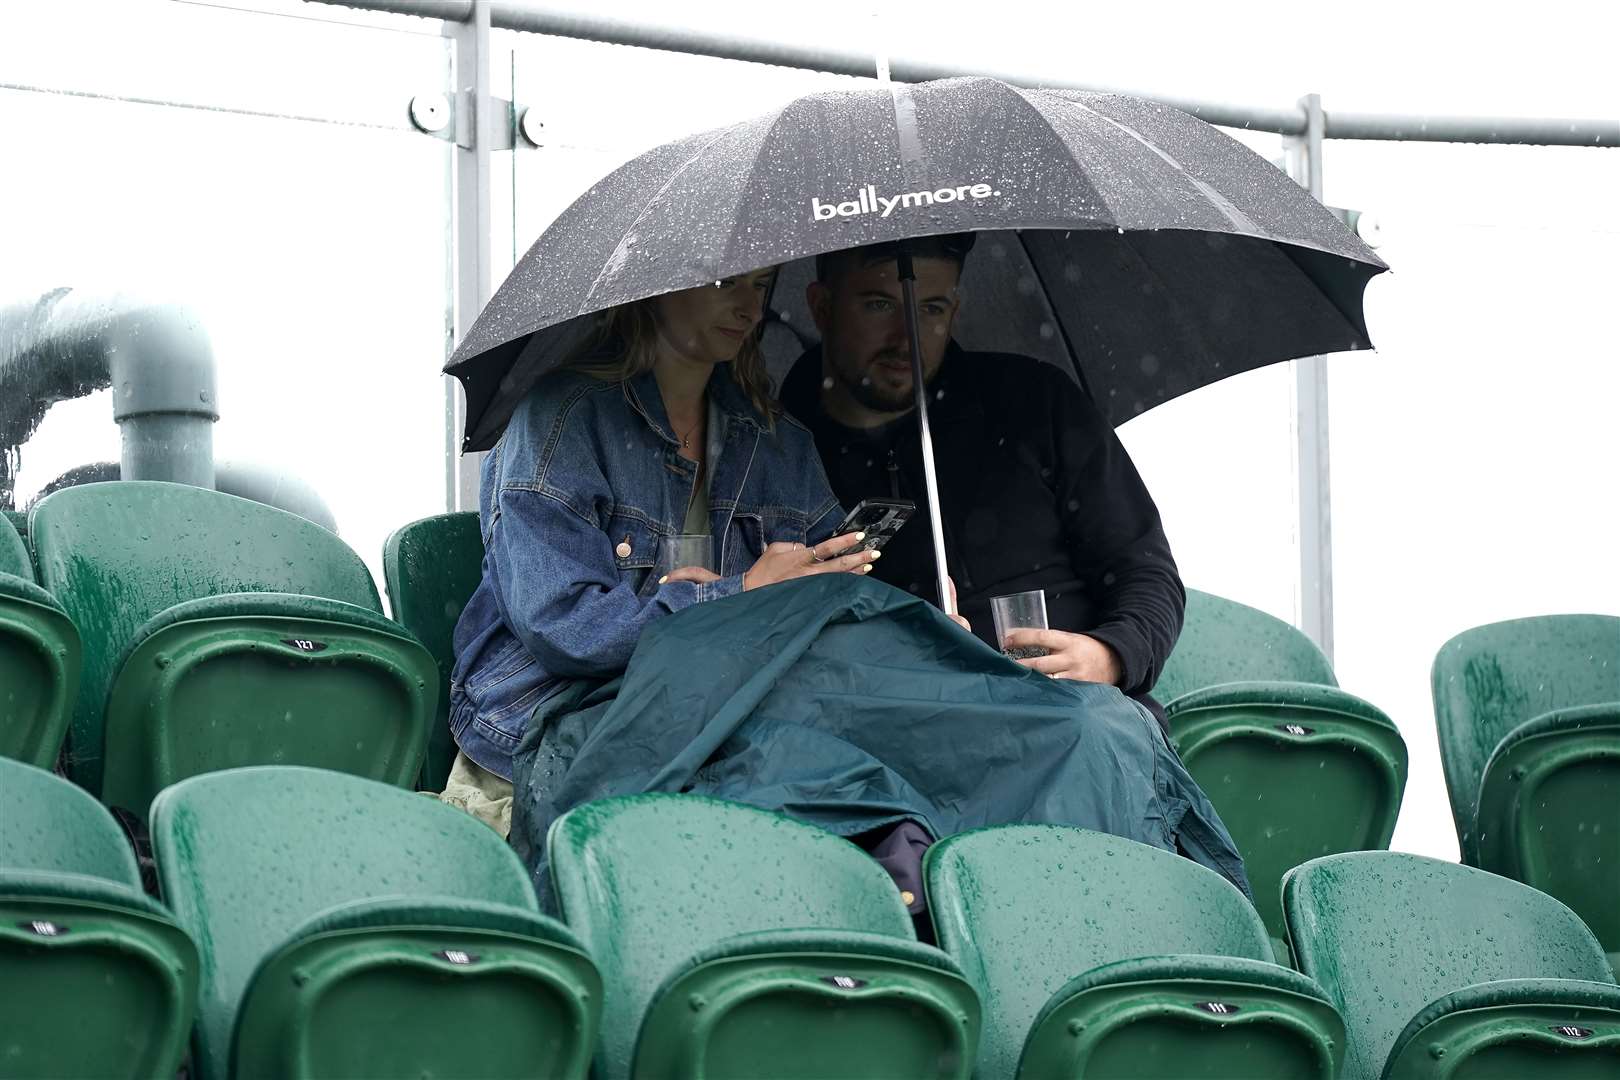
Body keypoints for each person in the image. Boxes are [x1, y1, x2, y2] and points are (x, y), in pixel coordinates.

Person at [444, 267, 879, 835]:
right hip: (544, 742)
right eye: (728, 284)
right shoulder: (560, 418)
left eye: (762, 286)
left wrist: (898, 617)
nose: (750, 308)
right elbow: (563, 625)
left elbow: (827, 596)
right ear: (659, 283)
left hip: (717, 734)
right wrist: (737, 596)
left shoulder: (780, 443)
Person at [780, 234, 1186, 728]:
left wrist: (1109, 656)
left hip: (1076, 721)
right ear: (822, 307)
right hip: (893, 736)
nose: (906, 336)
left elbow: (1144, 571)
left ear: (955, 308)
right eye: (879, 304)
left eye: (930, 309)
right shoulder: (772, 449)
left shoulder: (1037, 403)